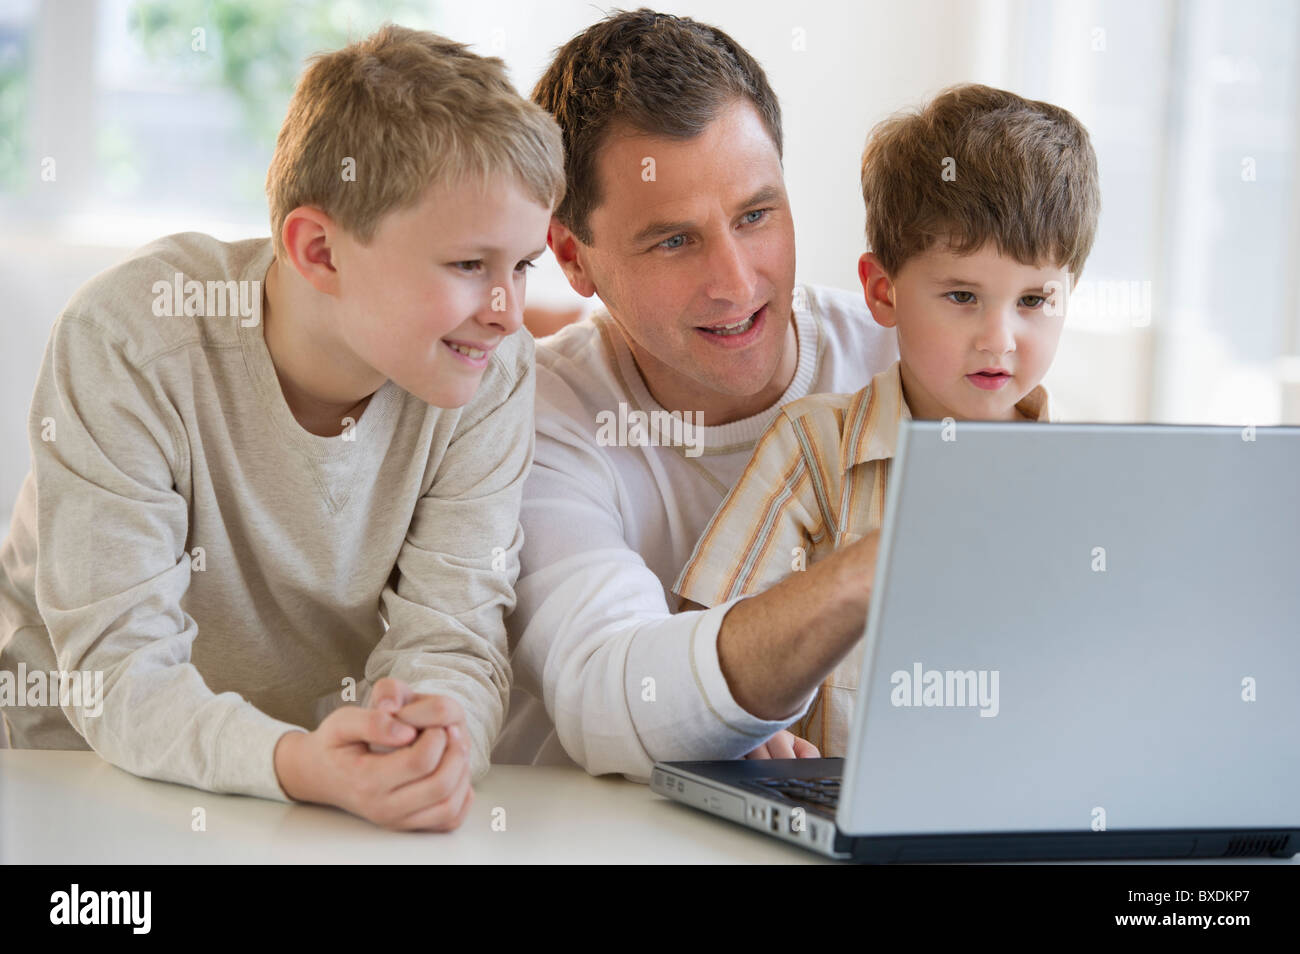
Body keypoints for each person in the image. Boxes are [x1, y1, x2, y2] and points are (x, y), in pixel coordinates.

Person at [0, 25, 563, 831]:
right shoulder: (130, 338)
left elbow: (455, 634)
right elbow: (117, 672)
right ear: (320, 250)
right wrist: (299, 765)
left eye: (523, 266)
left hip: (317, 786)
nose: (507, 313)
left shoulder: (492, 375)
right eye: (471, 266)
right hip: (67, 772)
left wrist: (427, 748)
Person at [492, 9, 898, 779]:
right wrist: (863, 573)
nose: (738, 284)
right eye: (675, 240)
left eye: (756, 215)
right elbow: (609, 692)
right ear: (574, 258)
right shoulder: (537, 416)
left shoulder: (901, 359)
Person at [676, 83, 1102, 755]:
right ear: (883, 291)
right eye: (962, 296)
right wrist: (753, 731)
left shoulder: (1092, 480)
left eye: (1034, 300)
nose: (1000, 339)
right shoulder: (816, 448)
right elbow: (703, 645)